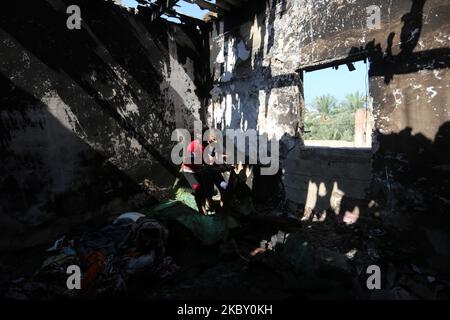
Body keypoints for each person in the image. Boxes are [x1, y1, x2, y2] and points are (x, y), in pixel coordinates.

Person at [182, 128, 227, 215]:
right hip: (189, 171)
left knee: (207, 184)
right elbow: (198, 164)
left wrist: (221, 163)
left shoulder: (206, 145)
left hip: (200, 169)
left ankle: (211, 203)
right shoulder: (193, 146)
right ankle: (201, 209)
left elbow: (210, 159)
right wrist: (216, 167)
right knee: (199, 190)